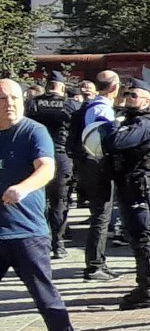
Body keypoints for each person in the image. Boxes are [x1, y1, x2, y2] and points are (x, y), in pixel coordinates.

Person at [0, 80, 80, 331]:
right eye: (3, 98)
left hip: (27, 233)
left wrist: (22, 188)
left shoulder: (33, 131)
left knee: (44, 296)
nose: (10, 103)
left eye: (14, 97)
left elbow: (46, 168)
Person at [104, 86, 150, 308]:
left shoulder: (145, 122)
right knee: (135, 235)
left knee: (142, 236)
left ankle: (148, 289)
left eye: (134, 96)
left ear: (148, 102)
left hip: (138, 185)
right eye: (126, 95)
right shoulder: (131, 120)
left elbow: (117, 142)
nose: (128, 98)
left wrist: (113, 126)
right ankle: (147, 285)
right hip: (128, 183)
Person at [26, 78, 79, 258]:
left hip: (36, 155)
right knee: (60, 201)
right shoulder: (70, 104)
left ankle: (39, 241)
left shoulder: (32, 103)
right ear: (62, 87)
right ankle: (58, 243)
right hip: (62, 156)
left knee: (37, 199)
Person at [74, 73, 118, 281]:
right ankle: (95, 266)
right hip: (98, 166)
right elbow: (104, 141)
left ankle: (97, 262)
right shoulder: (102, 109)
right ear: (114, 87)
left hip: (88, 166)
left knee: (100, 215)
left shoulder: (90, 106)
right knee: (101, 216)